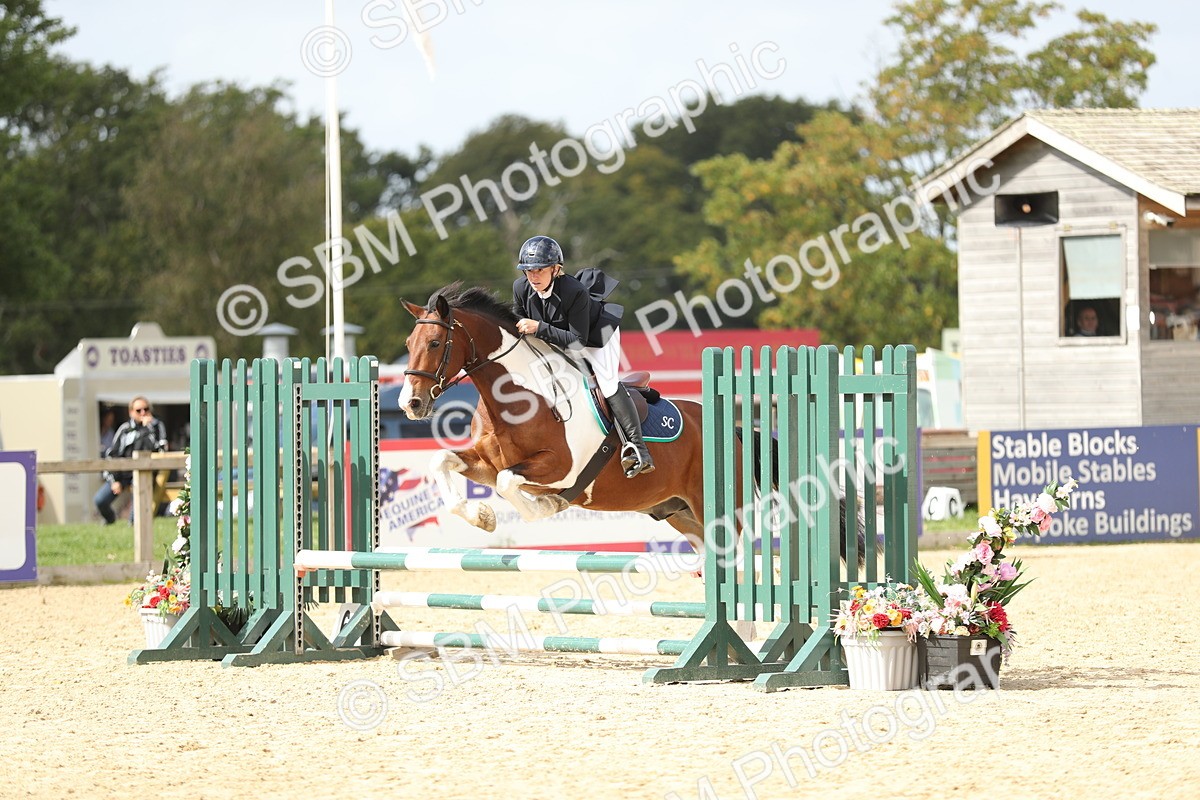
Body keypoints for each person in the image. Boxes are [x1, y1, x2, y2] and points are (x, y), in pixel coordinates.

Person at [512, 235, 654, 478]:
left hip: (598, 335)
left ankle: (639, 450)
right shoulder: (521, 288)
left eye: (539, 270)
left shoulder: (573, 291)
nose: (533, 276)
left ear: (556, 269)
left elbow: (578, 341)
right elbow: (516, 324)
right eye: (528, 271)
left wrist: (539, 328)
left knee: (607, 384)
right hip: (557, 335)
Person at [94, 396, 168, 524]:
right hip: (122, 473)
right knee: (100, 500)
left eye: (146, 409)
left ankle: (132, 527)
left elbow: (161, 451)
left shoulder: (156, 427)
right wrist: (114, 479)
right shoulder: (125, 429)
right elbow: (112, 454)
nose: (143, 413)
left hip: (145, 473)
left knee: (136, 511)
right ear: (131, 412)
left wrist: (147, 429)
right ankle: (110, 520)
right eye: (139, 410)